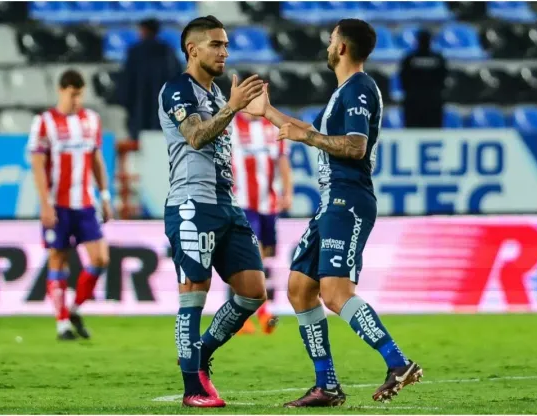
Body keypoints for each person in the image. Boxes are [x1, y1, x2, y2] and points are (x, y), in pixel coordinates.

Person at [245, 19, 422, 407]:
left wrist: (305, 136)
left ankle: (399, 362)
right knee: (298, 288)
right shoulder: (344, 91)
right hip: (332, 201)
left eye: (330, 40)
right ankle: (326, 385)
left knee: (335, 293)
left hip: (349, 199)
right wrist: (269, 113)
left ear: (341, 47)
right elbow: (311, 131)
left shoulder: (359, 88)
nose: (327, 45)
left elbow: (355, 147)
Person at [157, 15, 268, 408]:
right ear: (193, 49)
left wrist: (241, 108)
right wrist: (233, 109)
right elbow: (196, 136)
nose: (224, 52)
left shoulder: (218, 95)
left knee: (253, 292)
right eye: (216, 45)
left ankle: (199, 354)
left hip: (225, 203)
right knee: (193, 292)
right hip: (191, 203)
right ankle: (192, 387)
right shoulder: (177, 89)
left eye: (226, 45)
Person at [27, 70, 113, 341]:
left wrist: (106, 195)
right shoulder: (44, 122)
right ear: (61, 91)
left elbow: (96, 160)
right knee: (58, 258)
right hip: (58, 204)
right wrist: (44, 204)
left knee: (100, 259)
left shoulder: (91, 120)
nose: (77, 99)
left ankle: (74, 308)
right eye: (73, 94)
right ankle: (62, 322)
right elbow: (38, 166)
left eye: (80, 94)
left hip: (86, 203)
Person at [230, 111, 293, 335]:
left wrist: (288, 191)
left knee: (262, 256)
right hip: (242, 202)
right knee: (252, 256)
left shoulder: (274, 126)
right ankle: (262, 314)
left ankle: (240, 311)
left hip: (269, 204)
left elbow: (283, 159)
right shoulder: (231, 126)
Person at [116, 18, 183, 141]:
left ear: (144, 30)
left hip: (138, 110)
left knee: (139, 145)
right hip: (164, 111)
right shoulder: (168, 52)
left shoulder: (135, 52)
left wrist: (125, 101)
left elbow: (127, 82)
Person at [399, 29, 448, 128]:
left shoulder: (409, 59)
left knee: (413, 130)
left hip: (413, 101)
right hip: (434, 101)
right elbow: (443, 80)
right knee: (433, 130)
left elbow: (403, 80)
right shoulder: (438, 59)